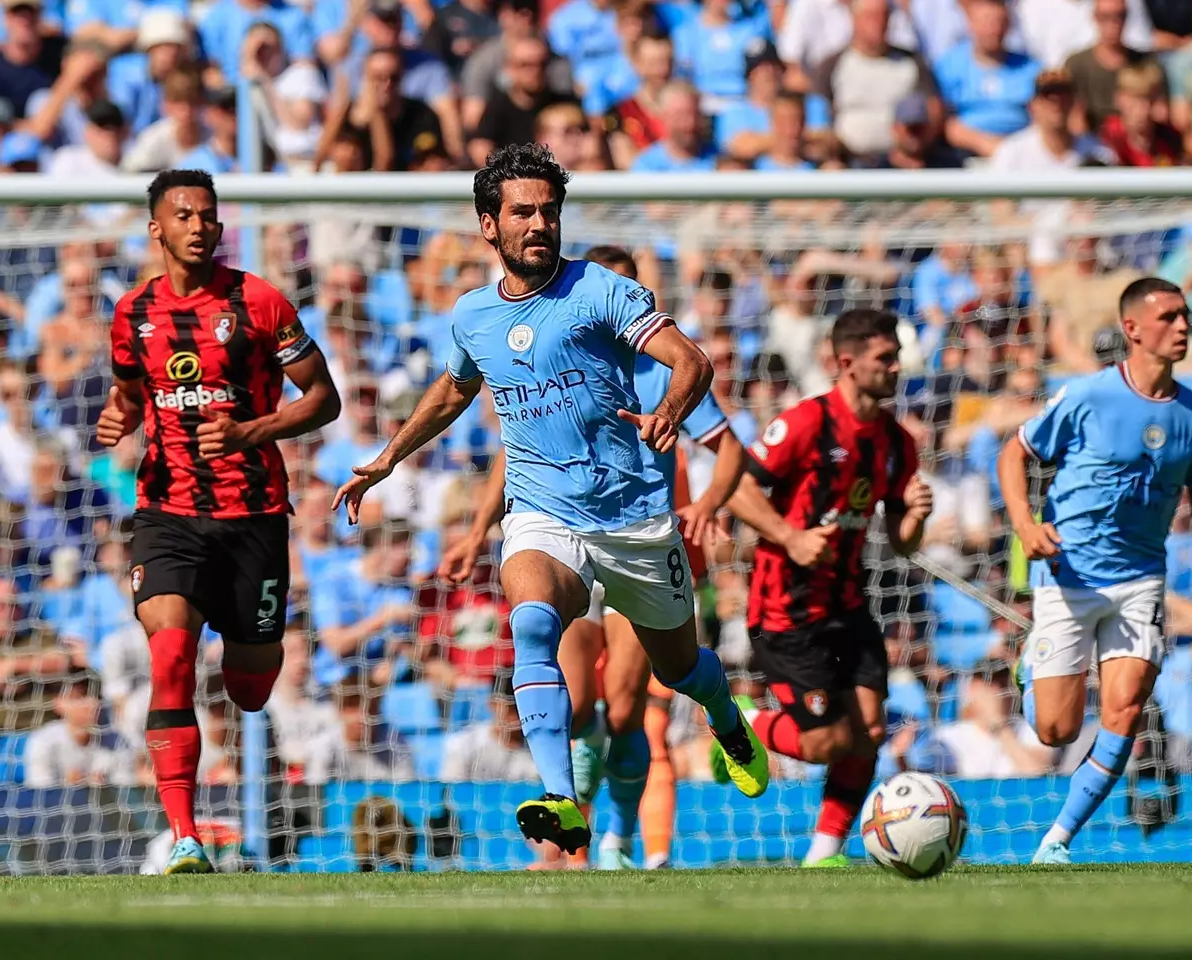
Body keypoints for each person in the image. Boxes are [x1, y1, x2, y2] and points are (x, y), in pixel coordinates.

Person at [333, 143, 767, 856]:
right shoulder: (473, 315)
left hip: (632, 518)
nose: (538, 223)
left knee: (678, 669)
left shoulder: (601, 291)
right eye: (522, 212)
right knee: (531, 624)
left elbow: (693, 362)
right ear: (488, 226)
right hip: (544, 514)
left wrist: (670, 414)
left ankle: (725, 719)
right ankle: (562, 798)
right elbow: (453, 390)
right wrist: (387, 458)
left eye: (549, 211)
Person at [440, 244, 749, 869]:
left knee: (645, 694)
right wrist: (476, 531)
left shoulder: (662, 368)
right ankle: (571, 828)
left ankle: (630, 824)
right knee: (574, 695)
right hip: (560, 534)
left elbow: (729, 448)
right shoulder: (558, 346)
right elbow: (514, 450)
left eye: (632, 295)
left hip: (637, 537)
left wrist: (709, 501)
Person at [95, 168, 341, 874]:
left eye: (208, 215)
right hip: (167, 513)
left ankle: (240, 701)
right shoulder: (133, 313)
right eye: (184, 215)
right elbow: (130, 390)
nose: (199, 226)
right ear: (157, 228)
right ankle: (184, 836)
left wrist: (251, 432)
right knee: (169, 659)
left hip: (254, 516)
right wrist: (122, 415)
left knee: (250, 687)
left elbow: (323, 399)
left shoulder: (259, 302)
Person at [996, 276, 1192, 865]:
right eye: (1168, 317)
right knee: (1055, 732)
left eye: (1186, 315)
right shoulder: (1088, 396)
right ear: (1132, 328)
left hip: (1139, 580)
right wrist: (1025, 526)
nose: (1182, 326)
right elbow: (1015, 453)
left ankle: (1056, 842)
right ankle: (1030, 668)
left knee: (1126, 709)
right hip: (1070, 576)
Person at [715, 308, 932, 868]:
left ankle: (824, 853)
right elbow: (737, 487)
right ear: (846, 363)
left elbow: (902, 543)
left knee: (872, 729)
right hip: (786, 610)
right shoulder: (807, 423)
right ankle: (745, 724)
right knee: (826, 744)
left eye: (896, 357)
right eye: (884, 358)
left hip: (848, 605)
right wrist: (789, 536)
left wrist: (916, 517)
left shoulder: (895, 442)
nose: (895, 367)